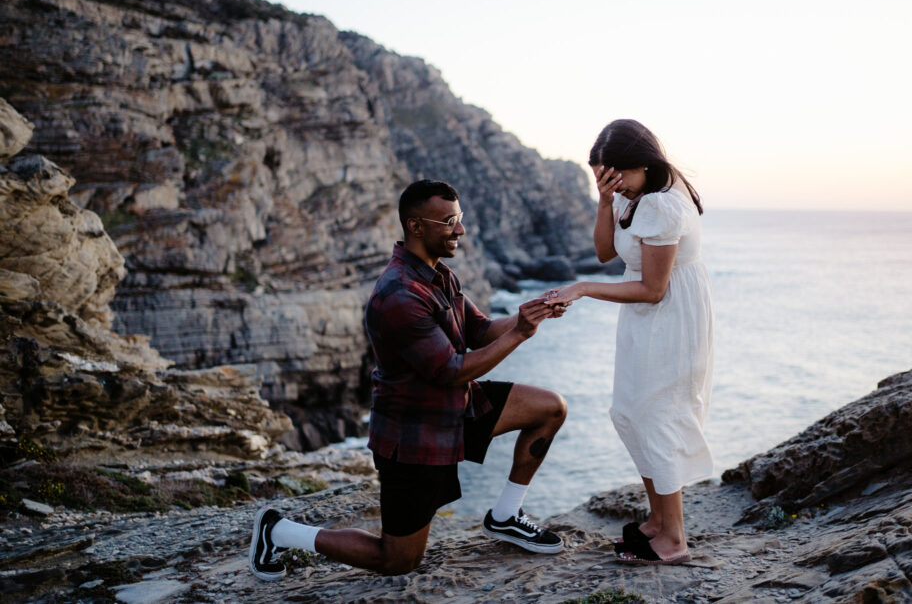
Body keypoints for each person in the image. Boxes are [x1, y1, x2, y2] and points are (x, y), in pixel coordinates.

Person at [249, 179, 569, 580]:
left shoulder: (440, 276)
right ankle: (279, 530)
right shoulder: (399, 293)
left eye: (461, 218)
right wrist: (520, 332)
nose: (460, 230)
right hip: (414, 436)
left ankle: (505, 515)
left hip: (458, 410)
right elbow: (452, 370)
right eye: (450, 221)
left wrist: (532, 312)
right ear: (416, 226)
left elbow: (481, 330)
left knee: (550, 408)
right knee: (398, 560)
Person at [545, 119, 713, 565]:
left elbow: (654, 288)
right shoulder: (629, 194)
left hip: (669, 317)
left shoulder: (661, 204)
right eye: (602, 178)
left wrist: (581, 289)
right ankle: (657, 521)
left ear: (642, 163)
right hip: (643, 319)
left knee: (659, 414)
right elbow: (605, 252)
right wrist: (604, 201)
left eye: (614, 175)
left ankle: (674, 538)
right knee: (631, 411)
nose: (611, 184)